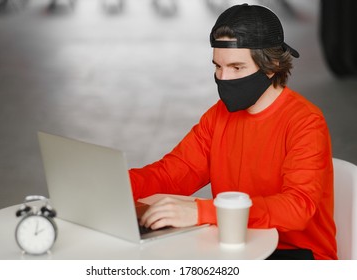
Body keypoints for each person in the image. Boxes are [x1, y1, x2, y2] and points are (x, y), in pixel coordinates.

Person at [129, 3, 337, 260]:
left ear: (271, 66)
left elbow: (297, 208)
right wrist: (113, 185)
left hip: (297, 255)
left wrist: (201, 211)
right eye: (218, 66)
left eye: (236, 68)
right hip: (235, 245)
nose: (223, 78)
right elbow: (172, 173)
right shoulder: (218, 116)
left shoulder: (305, 122)